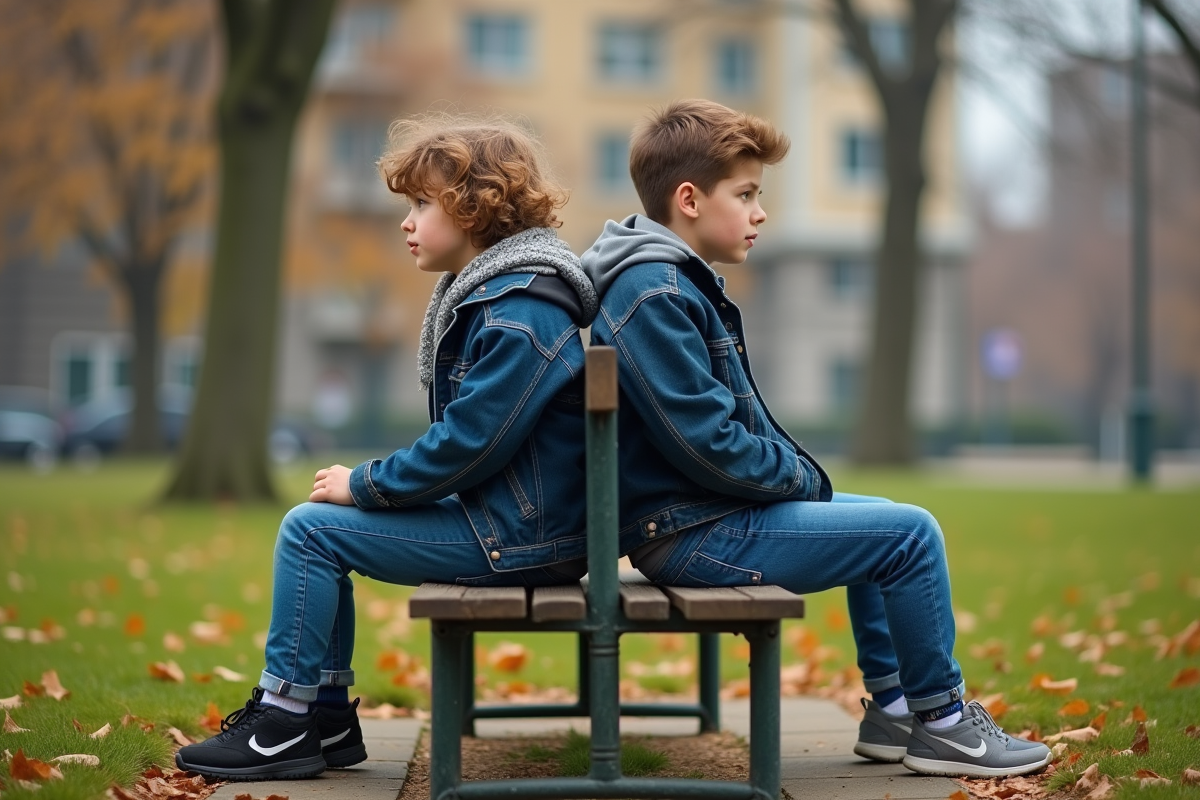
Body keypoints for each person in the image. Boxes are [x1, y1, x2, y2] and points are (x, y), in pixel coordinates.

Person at [580, 99, 1051, 779]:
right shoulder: (653, 292)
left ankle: (894, 711)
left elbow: (719, 434)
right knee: (909, 534)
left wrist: (803, 481)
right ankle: (945, 724)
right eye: (745, 195)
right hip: (694, 533)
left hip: (696, 518)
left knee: (885, 521)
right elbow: (707, 442)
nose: (759, 212)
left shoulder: (665, 280)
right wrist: (804, 480)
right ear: (688, 199)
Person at [176, 114, 597, 781]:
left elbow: (470, 444)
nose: (407, 221)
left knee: (312, 531)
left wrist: (367, 483)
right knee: (321, 529)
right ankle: (327, 719)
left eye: (422, 204)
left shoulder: (521, 307)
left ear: (477, 206)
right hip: (515, 523)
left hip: (520, 536)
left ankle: (288, 720)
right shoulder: (502, 293)